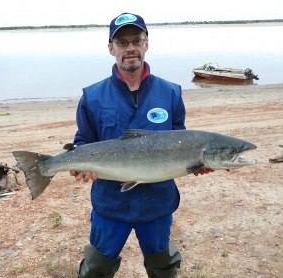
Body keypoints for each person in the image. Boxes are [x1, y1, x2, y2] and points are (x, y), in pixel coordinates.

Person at [70, 12, 214, 278]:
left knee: (163, 265)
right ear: (111, 48)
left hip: (157, 202)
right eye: (122, 43)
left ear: (147, 44)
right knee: (97, 267)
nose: (130, 48)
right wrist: (80, 166)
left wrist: (196, 163)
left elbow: (180, 139)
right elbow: (83, 142)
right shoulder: (92, 96)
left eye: (136, 40)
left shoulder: (170, 92)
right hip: (110, 202)